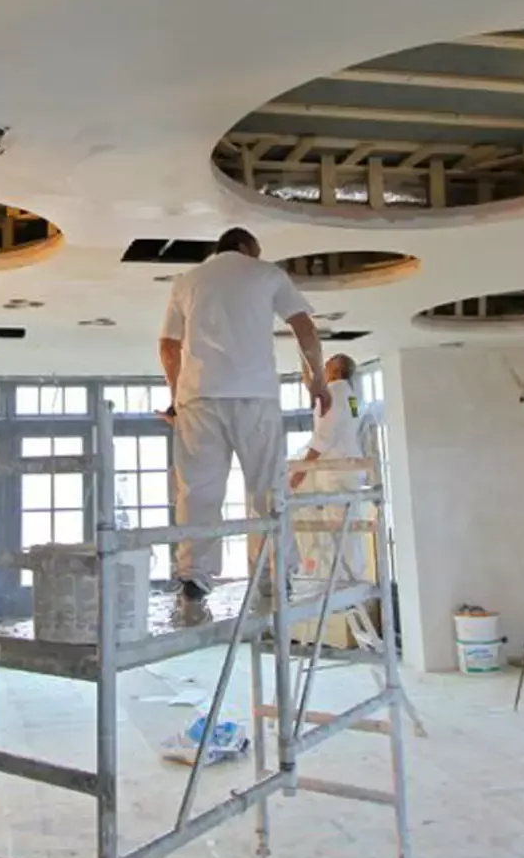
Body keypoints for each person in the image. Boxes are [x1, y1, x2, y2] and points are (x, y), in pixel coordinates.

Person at [158, 227, 328, 612]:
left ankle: (194, 580)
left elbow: (168, 346)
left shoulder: (186, 281)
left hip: (199, 398)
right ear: (247, 248)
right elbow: (304, 326)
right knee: (268, 488)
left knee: (198, 492)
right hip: (256, 396)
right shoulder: (266, 273)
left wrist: (177, 398)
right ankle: (276, 572)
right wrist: (317, 379)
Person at [288, 353, 373, 581]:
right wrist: (305, 359)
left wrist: (301, 471)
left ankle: (337, 578)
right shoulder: (352, 396)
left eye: (326, 368)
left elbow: (323, 437)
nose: (323, 372)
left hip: (335, 470)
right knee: (347, 527)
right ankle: (349, 575)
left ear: (335, 372)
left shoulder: (333, 394)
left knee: (336, 527)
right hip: (350, 468)